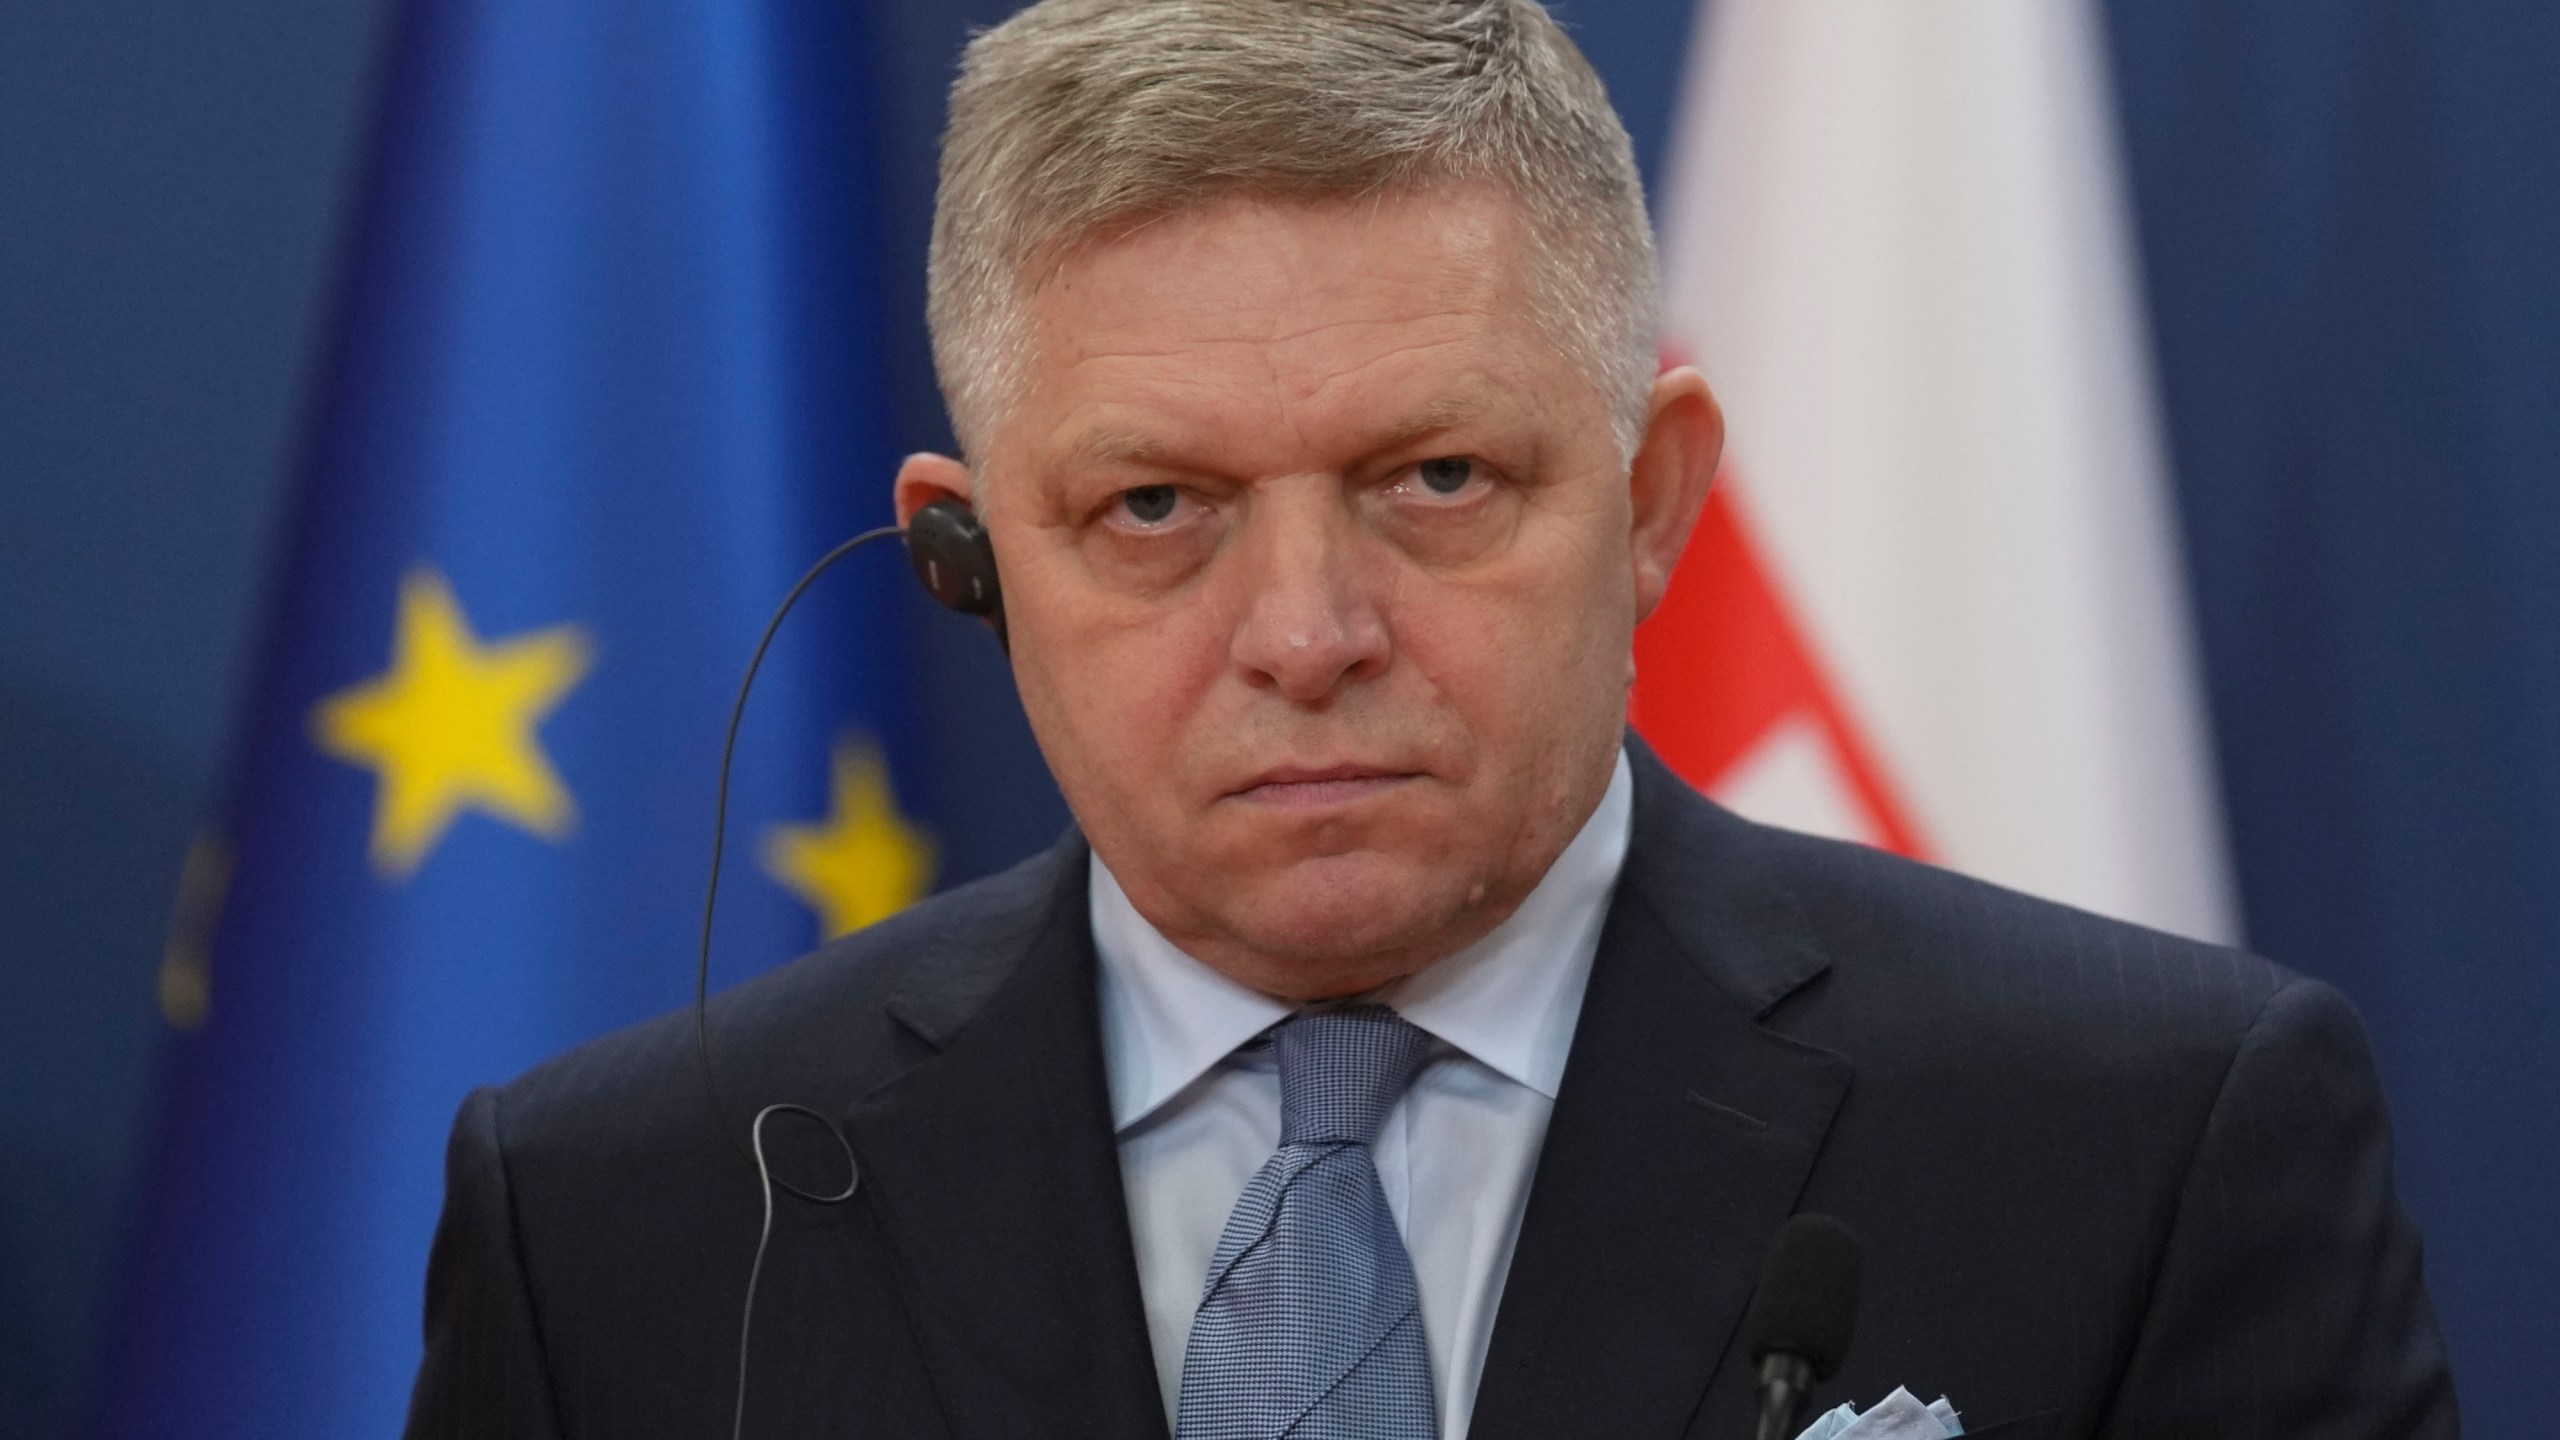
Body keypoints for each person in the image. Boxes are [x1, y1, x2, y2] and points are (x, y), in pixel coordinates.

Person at [404, 2, 2456, 1436]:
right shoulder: (625, 1220)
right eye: (1152, 509)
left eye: (1436, 483)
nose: (1304, 632)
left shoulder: (2144, 1143)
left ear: (1649, 499)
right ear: (968, 552)